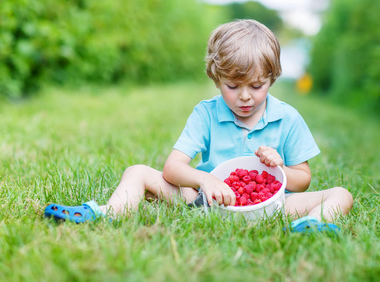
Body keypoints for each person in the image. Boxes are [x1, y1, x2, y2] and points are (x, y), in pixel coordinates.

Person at [45, 19, 353, 232]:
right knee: (137, 172)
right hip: (205, 201)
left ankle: (311, 225)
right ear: (216, 78)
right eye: (233, 86)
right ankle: (107, 214)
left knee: (341, 194)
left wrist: (279, 168)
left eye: (257, 86)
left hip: (271, 206)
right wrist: (205, 182)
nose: (245, 97)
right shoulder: (206, 114)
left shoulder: (288, 118)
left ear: (272, 78)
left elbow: (303, 180)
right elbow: (172, 169)